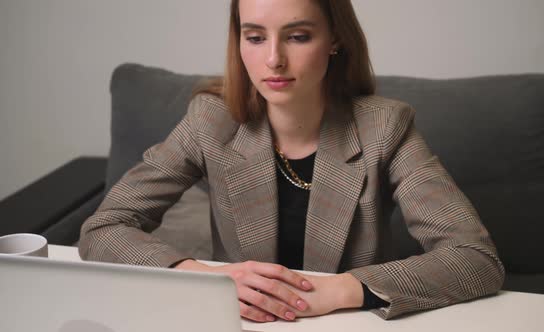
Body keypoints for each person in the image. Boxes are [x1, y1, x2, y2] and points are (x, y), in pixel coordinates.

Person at [79, 0, 505, 323]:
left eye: (297, 36)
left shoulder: (386, 126)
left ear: (335, 38)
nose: (273, 60)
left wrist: (344, 290)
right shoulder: (211, 120)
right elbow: (105, 226)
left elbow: (475, 258)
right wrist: (200, 276)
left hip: (347, 324)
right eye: (255, 36)